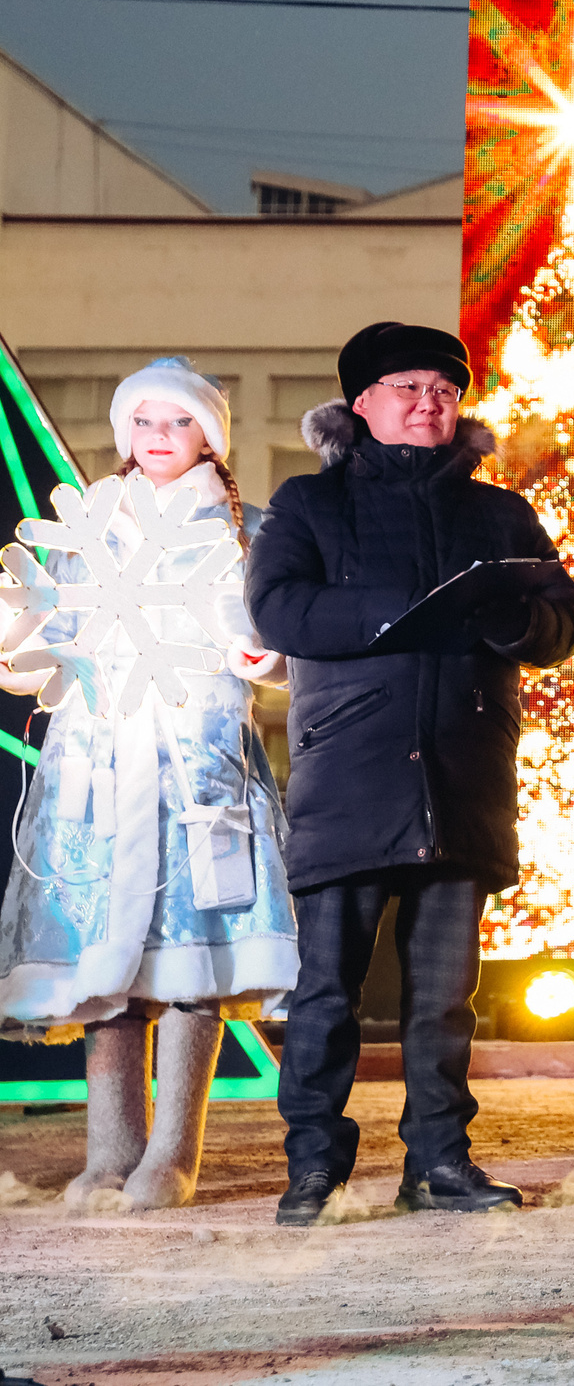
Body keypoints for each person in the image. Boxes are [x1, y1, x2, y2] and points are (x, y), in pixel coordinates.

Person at [249, 321, 574, 1225]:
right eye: (408, 387)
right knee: (325, 994)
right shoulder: (308, 504)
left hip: (461, 775)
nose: (429, 402)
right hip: (350, 782)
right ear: (361, 403)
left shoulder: (500, 514)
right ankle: (312, 1167)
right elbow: (283, 610)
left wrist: (507, 622)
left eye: (444, 389)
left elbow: (565, 619)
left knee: (443, 1001)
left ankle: (439, 1163)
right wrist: (415, 609)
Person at [0, 360, 295, 1208]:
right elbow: (50, 636)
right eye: (145, 422)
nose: (159, 438)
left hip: (196, 764)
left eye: (179, 423)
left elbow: (276, 641)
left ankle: (172, 1152)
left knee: (191, 952)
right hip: (98, 762)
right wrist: (24, 631)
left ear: (209, 436)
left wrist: (262, 653)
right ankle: (108, 1150)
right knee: (109, 963)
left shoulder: (248, 532)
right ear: (124, 432)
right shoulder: (94, 524)